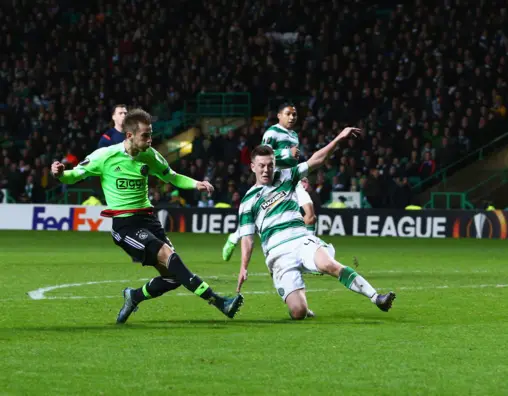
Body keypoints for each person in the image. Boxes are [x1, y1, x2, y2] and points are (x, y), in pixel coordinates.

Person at [50, 108, 244, 324]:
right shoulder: (105, 156)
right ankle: (219, 302)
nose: (150, 139)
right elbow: (74, 175)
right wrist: (60, 174)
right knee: (170, 257)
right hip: (125, 225)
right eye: (145, 135)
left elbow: (171, 176)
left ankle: (134, 296)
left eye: (151, 134)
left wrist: (195, 183)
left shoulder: (149, 156)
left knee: (172, 277)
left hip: (149, 221)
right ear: (130, 135)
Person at [234, 127, 396, 320]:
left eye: (270, 165)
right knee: (298, 312)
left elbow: (316, 161)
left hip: (301, 240)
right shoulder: (248, 201)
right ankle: (302, 306)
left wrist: (339, 138)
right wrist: (244, 266)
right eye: (261, 165)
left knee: (329, 264)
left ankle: (376, 297)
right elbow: (247, 238)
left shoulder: (287, 176)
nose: (266, 170)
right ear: (252, 167)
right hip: (277, 256)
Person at [221, 103, 304, 260]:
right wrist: (287, 153)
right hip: (273, 179)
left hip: (290, 179)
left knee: (309, 212)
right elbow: (263, 154)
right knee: (263, 214)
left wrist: (300, 174)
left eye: (294, 115)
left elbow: (293, 160)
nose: (292, 117)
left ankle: (306, 252)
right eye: (288, 114)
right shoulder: (272, 132)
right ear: (279, 115)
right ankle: (235, 236)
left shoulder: (294, 135)